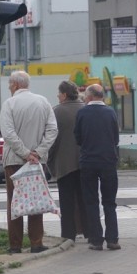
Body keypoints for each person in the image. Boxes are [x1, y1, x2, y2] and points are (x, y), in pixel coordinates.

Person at [0, 70, 58, 254]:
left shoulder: (9, 104)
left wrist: (25, 153)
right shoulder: (43, 102)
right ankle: (36, 242)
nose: (9, 87)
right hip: (36, 162)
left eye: (10, 84)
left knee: (14, 202)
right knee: (35, 200)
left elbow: (8, 134)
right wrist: (38, 153)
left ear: (15, 85)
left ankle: (15, 245)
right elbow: (52, 130)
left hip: (14, 161)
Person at [74, 84, 120, 251]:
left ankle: (96, 240)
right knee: (109, 202)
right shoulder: (111, 112)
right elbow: (116, 138)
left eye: (85, 96)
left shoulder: (82, 113)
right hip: (108, 161)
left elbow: (77, 138)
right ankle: (113, 239)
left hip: (88, 162)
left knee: (91, 201)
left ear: (90, 96)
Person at [48, 80, 85, 242]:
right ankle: (89, 231)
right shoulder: (85, 109)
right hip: (85, 163)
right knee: (85, 199)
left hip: (64, 164)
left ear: (64, 95)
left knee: (67, 201)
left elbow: (51, 139)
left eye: (58, 93)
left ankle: (68, 234)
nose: (57, 96)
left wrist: (49, 161)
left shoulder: (56, 112)